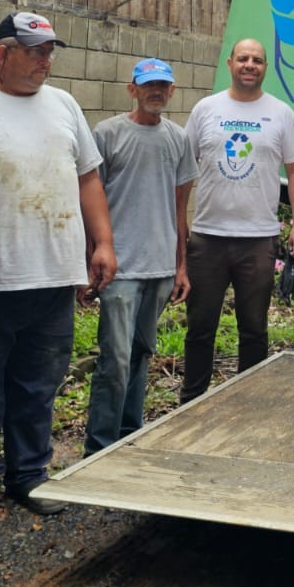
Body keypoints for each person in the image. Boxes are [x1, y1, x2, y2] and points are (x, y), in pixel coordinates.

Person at [0, 11, 114, 526]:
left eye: (49, 51)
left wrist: (102, 243)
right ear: (2, 53)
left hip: (53, 272)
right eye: (34, 51)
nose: (44, 61)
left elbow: (88, 180)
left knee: (39, 381)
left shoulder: (64, 105)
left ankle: (30, 474)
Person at [182, 38, 294, 403]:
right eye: (243, 59)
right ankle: (191, 400)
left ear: (265, 67)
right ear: (230, 64)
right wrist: (180, 227)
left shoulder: (281, 113)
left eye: (257, 60)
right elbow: (184, 172)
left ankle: (249, 400)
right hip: (208, 238)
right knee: (200, 327)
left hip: (258, 239)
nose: (249, 65)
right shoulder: (206, 109)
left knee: (253, 327)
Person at [81, 57, 198, 453]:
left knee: (142, 353)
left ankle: (128, 435)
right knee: (114, 359)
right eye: (148, 85)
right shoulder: (108, 134)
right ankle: (98, 447)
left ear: (172, 91)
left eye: (163, 86)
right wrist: (89, 259)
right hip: (120, 268)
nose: (156, 92)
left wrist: (181, 265)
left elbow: (180, 208)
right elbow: (89, 200)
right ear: (132, 89)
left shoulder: (178, 139)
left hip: (161, 267)